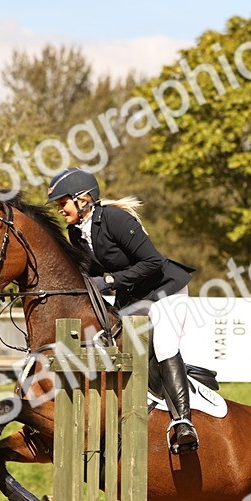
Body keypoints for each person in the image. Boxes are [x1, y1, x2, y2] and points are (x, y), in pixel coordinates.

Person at [48, 167, 199, 453]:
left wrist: (109, 281)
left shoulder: (115, 219)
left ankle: (183, 423)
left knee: (164, 345)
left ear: (83, 199)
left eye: (62, 202)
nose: (59, 209)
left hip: (165, 289)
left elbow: (153, 262)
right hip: (133, 296)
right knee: (110, 343)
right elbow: (88, 275)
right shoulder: (75, 233)